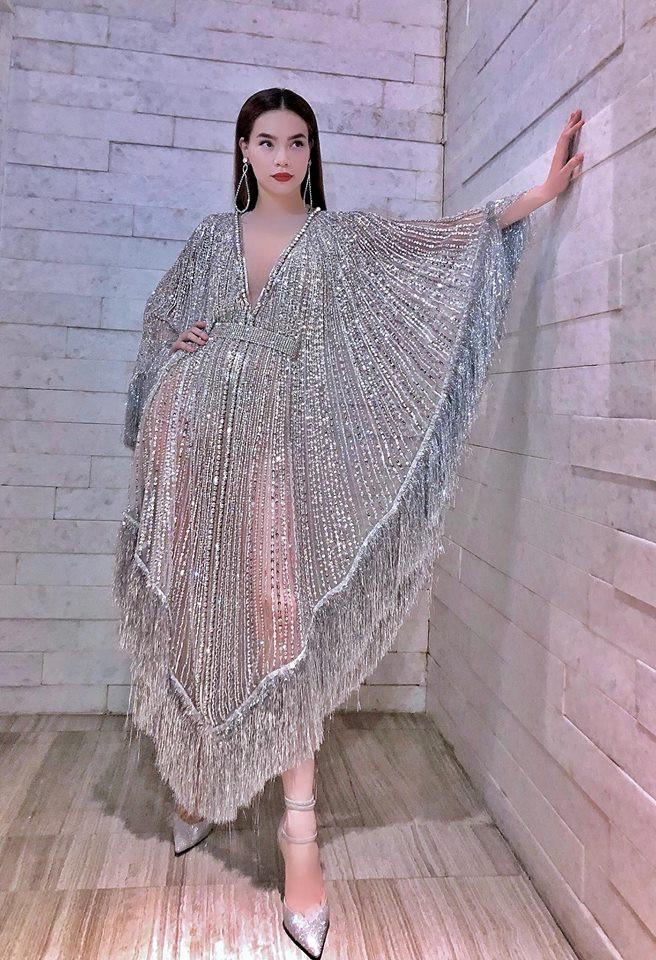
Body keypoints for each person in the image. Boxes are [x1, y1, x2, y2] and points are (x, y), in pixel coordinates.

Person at [113, 87, 584, 957]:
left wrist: (536, 196)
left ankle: (300, 835)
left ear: (311, 150)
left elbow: (431, 248)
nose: (281, 156)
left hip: (272, 458)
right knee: (196, 614)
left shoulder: (336, 241)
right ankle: (200, 781)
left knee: (278, 623)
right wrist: (173, 346)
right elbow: (160, 320)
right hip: (191, 453)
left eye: (297, 141)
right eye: (266, 140)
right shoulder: (210, 239)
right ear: (243, 149)